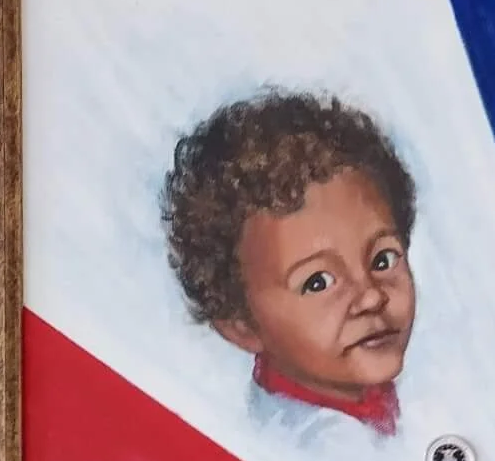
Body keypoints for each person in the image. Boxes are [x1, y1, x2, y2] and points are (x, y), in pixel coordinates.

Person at [162, 91, 417, 443]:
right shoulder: (325, 452)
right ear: (242, 327)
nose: (371, 296)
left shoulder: (358, 400)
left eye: (382, 260)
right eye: (318, 282)